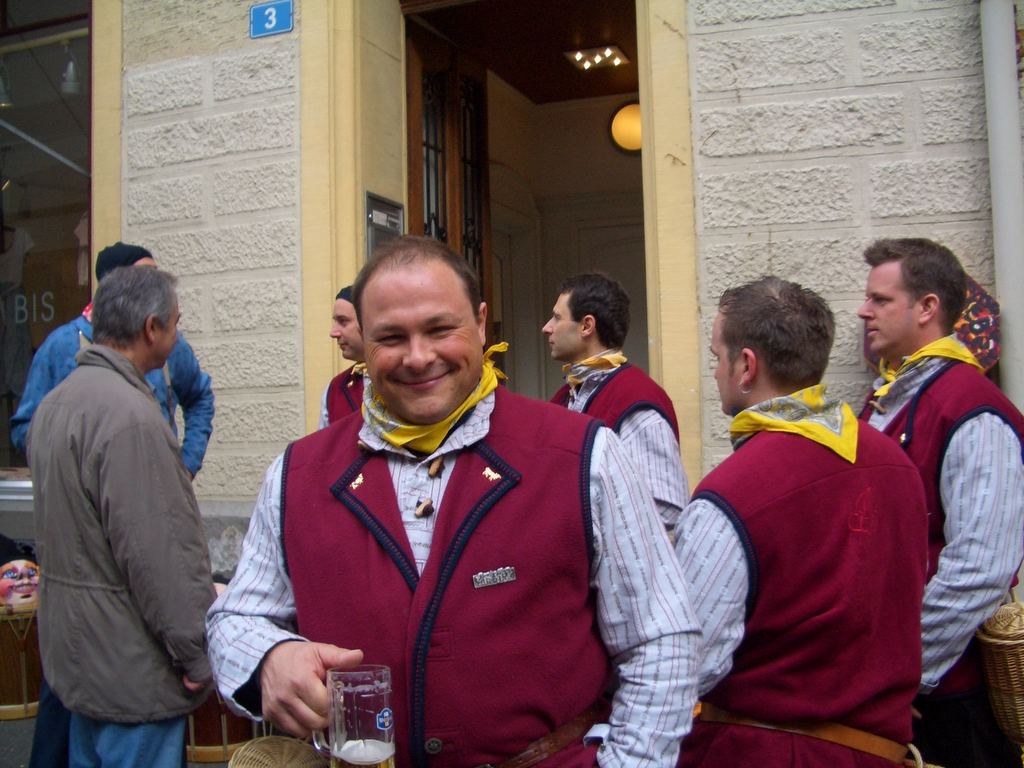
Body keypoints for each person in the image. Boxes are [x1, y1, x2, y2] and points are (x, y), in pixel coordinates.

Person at [208, 235, 700, 767]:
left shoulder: (587, 455)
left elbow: (661, 638)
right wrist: (268, 658)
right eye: (391, 337)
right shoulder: (296, 474)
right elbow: (235, 618)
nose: (419, 357)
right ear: (363, 342)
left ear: (482, 324)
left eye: (441, 329)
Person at [675, 276, 928, 766]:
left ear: (746, 366)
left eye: (717, 357)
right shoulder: (898, 466)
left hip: (763, 754)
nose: (716, 371)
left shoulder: (731, 494)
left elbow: (688, 663)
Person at [27, 266, 215, 768]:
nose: (178, 335)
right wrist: (197, 655)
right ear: (152, 328)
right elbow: (161, 558)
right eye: (176, 322)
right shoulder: (131, 418)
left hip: (81, 661)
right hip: (132, 669)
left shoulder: (57, 404)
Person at [857, 237, 1024, 768]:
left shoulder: (973, 410)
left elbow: (981, 566)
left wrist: (903, 674)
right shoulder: (889, 398)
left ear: (927, 307)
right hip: (886, 680)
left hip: (946, 700)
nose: (864, 310)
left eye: (881, 299)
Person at [11, 241, 214, 478]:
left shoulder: (168, 343)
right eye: (145, 276)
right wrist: (73, 472)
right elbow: (26, 430)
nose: (158, 286)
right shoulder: (61, 346)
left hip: (157, 486)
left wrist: (186, 466)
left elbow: (200, 396)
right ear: (115, 288)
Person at [542, 272, 688, 530]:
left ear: (587, 326)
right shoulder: (564, 396)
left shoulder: (637, 399)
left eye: (557, 317)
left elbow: (665, 510)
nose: (547, 327)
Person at [318, 284, 365, 428]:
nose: (333, 333)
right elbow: (326, 442)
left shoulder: (407, 380)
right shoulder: (334, 390)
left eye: (343, 321)